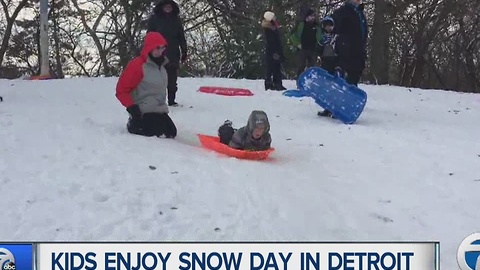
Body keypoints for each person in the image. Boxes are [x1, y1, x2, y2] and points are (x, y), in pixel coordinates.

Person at [115, 32, 177, 138]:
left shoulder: (162, 67)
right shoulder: (138, 65)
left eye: (163, 47)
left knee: (171, 133)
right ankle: (134, 124)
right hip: (142, 111)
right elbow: (121, 90)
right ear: (149, 48)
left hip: (159, 110)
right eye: (157, 48)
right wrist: (132, 108)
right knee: (155, 132)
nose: (160, 51)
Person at [147, 0, 187, 107]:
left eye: (170, 7)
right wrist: (149, 50)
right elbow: (149, 36)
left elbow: (181, 36)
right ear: (162, 7)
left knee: (172, 78)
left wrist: (184, 51)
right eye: (166, 7)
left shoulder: (176, 20)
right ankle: (157, 100)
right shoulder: (154, 19)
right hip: (157, 52)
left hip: (173, 52)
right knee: (157, 78)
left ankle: (171, 100)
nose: (168, 9)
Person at [331, 0, 368, 86]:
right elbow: (333, 21)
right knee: (342, 65)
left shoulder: (360, 13)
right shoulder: (344, 11)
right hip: (346, 44)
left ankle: (351, 87)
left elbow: (363, 29)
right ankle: (339, 86)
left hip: (359, 45)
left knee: (357, 68)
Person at [289, 8, 323, 79]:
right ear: (307, 17)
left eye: (314, 16)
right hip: (302, 48)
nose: (313, 17)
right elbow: (292, 35)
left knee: (312, 66)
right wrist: (297, 43)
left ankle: (310, 81)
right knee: (301, 65)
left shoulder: (317, 27)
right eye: (311, 16)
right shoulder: (301, 25)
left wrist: (320, 44)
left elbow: (320, 37)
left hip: (313, 49)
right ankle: (299, 79)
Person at [261, 11, 286, 91]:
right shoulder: (268, 29)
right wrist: (274, 52)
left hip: (276, 50)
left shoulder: (274, 28)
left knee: (277, 68)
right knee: (270, 68)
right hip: (271, 51)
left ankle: (277, 83)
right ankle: (269, 84)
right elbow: (270, 42)